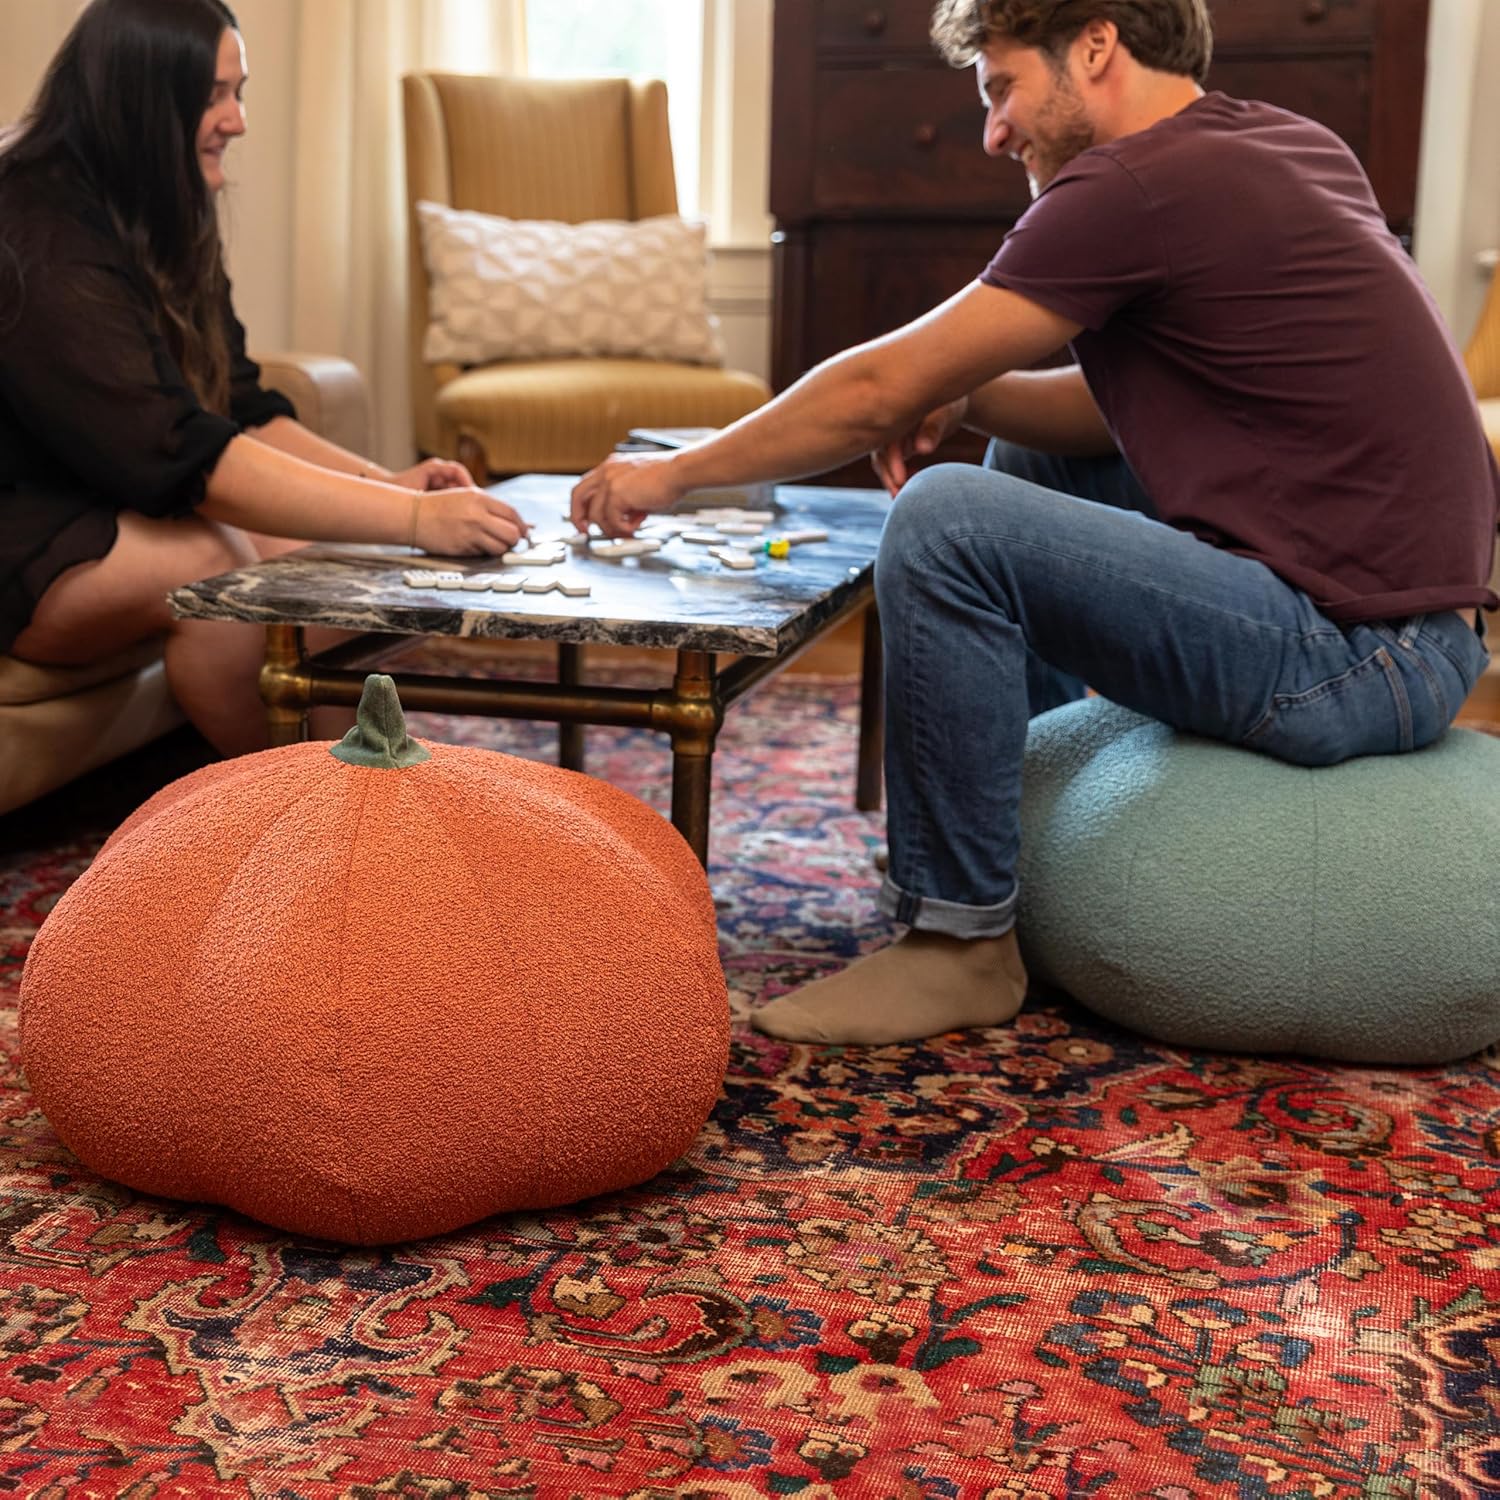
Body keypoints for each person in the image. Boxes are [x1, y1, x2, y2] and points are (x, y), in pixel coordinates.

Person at [571, 0, 1499, 1046]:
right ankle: (1000, 830)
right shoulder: (1274, 140)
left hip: (1351, 659)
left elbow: (875, 386)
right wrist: (969, 397)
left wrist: (677, 473)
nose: (993, 131)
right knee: (1024, 465)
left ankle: (958, 944)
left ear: (1096, 46)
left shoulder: (1133, 184)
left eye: (1000, 88)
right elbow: (1107, 413)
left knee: (946, 518)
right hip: (1422, 642)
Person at [0, 0, 526, 757]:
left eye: (237, 91)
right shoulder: (35, 226)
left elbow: (239, 403)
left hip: (116, 496)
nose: (237, 120)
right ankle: (297, 814)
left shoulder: (166, 197)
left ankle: (360, 792)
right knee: (212, 563)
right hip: (26, 527)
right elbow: (178, 452)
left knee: (325, 554)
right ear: (148, 100)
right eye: (216, 95)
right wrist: (413, 521)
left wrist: (391, 486)